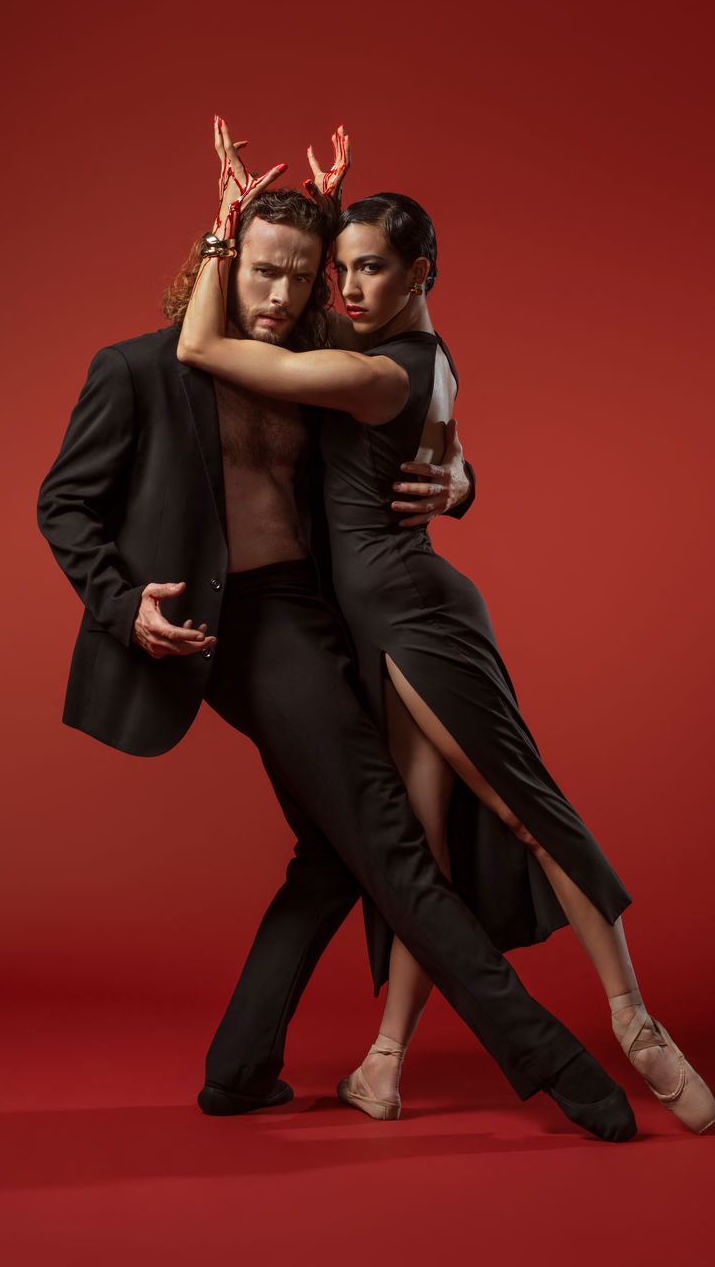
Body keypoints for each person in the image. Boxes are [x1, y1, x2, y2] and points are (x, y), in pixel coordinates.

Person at [37, 130, 638, 1141]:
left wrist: (462, 483)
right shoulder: (138, 369)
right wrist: (121, 599)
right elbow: (63, 502)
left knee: (334, 850)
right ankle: (554, 1061)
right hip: (239, 625)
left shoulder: (319, 364)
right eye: (261, 272)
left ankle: (237, 1070)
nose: (278, 296)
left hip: (331, 618)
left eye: (300, 278)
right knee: (390, 838)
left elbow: (412, 424)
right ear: (219, 260)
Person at [175, 119, 715, 1133]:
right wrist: (459, 480)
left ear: (420, 271)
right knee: (412, 851)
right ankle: (382, 1061)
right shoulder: (399, 350)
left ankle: (634, 1018)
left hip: (414, 616)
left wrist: (219, 230)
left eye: (369, 268)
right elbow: (444, 457)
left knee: (520, 806)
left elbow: (204, 345)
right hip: (381, 618)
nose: (343, 288)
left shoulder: (378, 371)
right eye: (338, 268)